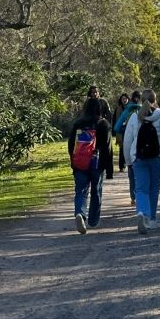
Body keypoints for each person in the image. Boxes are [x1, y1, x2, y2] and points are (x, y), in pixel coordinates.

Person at [123, 88, 160, 234]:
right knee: (154, 188)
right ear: (154, 100)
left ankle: (142, 212)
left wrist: (128, 161)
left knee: (141, 188)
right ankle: (151, 219)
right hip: (157, 157)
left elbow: (127, 140)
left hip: (139, 157)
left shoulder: (134, 117)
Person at [67, 97, 111, 234]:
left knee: (80, 191)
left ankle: (80, 213)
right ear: (99, 109)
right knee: (96, 191)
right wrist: (108, 169)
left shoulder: (78, 123)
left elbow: (71, 144)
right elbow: (107, 148)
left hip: (80, 162)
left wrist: (73, 161)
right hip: (96, 163)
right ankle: (93, 220)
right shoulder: (103, 124)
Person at [114, 90, 142, 205]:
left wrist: (124, 129)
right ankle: (143, 196)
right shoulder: (146, 110)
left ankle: (133, 197)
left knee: (131, 171)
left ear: (131, 98)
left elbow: (116, 128)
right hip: (143, 145)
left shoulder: (128, 110)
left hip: (129, 144)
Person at [112, 94, 129, 171]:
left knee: (129, 148)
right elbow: (114, 120)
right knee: (121, 149)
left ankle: (129, 164)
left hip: (129, 130)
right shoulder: (117, 109)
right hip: (120, 131)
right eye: (123, 98)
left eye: (125, 98)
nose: (124, 100)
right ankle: (122, 166)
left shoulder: (131, 108)